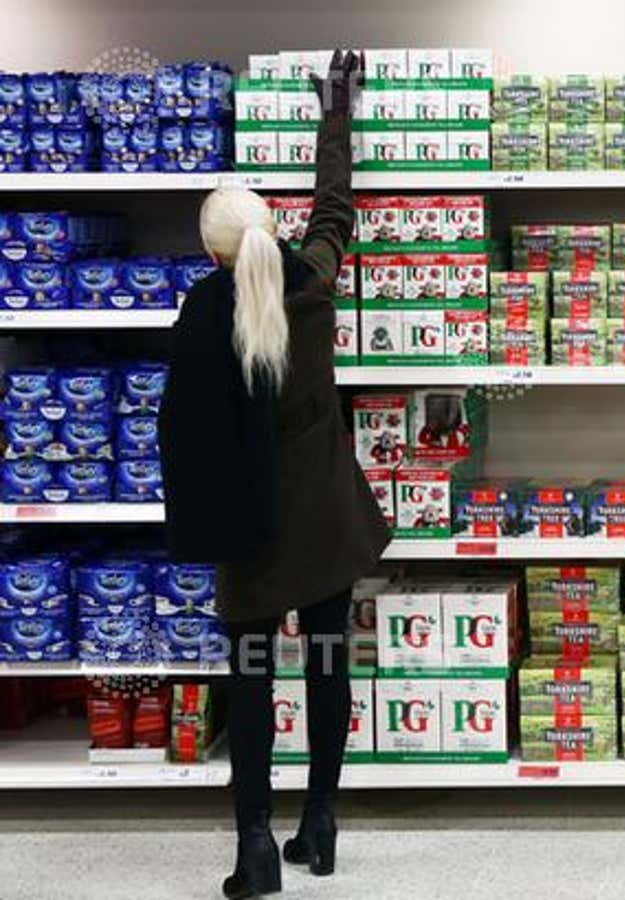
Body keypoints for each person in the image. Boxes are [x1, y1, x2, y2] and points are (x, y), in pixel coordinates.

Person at [158, 50, 391, 900]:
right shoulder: (316, 284)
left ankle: (255, 845)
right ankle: (320, 824)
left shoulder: (200, 314)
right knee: (329, 666)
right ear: (271, 233)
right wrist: (337, 113)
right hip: (327, 523)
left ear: (213, 254)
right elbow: (336, 211)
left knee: (252, 682)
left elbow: (180, 431)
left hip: (254, 536)